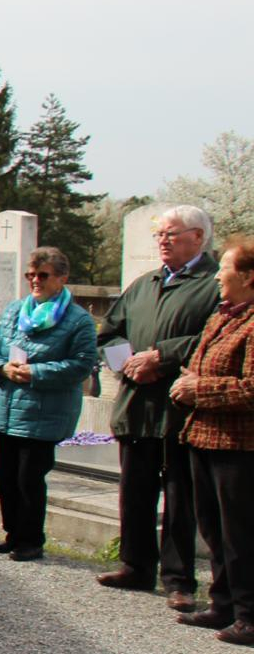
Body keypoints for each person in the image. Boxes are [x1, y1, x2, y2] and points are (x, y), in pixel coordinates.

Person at [94, 204, 220, 609]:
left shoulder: (214, 284)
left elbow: (214, 339)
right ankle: (136, 565)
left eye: (171, 234)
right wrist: (129, 365)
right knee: (135, 490)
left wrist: (161, 357)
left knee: (181, 497)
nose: (163, 241)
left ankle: (179, 579)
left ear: (197, 237)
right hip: (137, 404)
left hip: (180, 409)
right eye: (159, 235)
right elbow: (109, 334)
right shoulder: (143, 284)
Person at [0, 246, 99, 562]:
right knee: (5, 475)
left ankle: (31, 539)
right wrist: (1, 368)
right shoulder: (14, 310)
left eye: (43, 275)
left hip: (44, 412)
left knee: (28, 478)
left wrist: (36, 373)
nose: (35, 280)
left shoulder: (78, 320)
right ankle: (12, 532)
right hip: (6, 406)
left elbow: (82, 364)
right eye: (30, 275)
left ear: (62, 278)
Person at [170, 236, 254, 644]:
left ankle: (249, 615)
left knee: (240, 533)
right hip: (203, 437)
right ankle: (223, 604)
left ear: (248, 277)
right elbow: (201, 365)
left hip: (239, 447)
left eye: (225, 268)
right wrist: (187, 382)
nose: (218, 275)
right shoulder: (221, 315)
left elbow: (251, 388)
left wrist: (198, 388)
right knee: (213, 527)